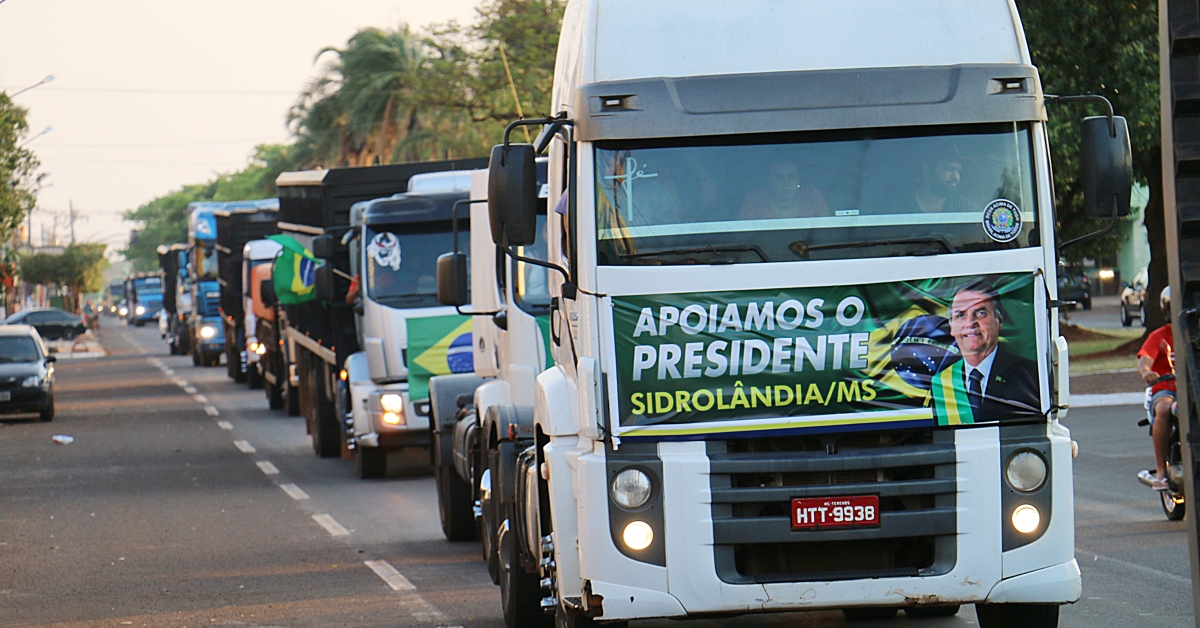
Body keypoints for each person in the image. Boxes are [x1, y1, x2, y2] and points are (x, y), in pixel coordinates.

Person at [932, 281, 1040, 424]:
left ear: (999, 320)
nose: (970, 323)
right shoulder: (940, 383)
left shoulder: (1029, 375)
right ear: (952, 327)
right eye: (960, 315)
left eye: (981, 313)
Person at [1136, 287, 1176, 491]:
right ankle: (1161, 470)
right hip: (1167, 389)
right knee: (1164, 409)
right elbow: (1144, 362)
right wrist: (1146, 372)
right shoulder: (1158, 337)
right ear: (1166, 309)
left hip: (1192, 390)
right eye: (1173, 305)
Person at [738, 160, 828, 220]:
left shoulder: (812, 196)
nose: (786, 183)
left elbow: (824, 234)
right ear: (768, 180)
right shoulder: (754, 200)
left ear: (799, 178)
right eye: (779, 178)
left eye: (791, 177)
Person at [913, 144, 971, 214]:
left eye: (958, 171)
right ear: (927, 170)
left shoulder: (967, 207)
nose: (956, 177)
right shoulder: (899, 205)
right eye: (949, 169)